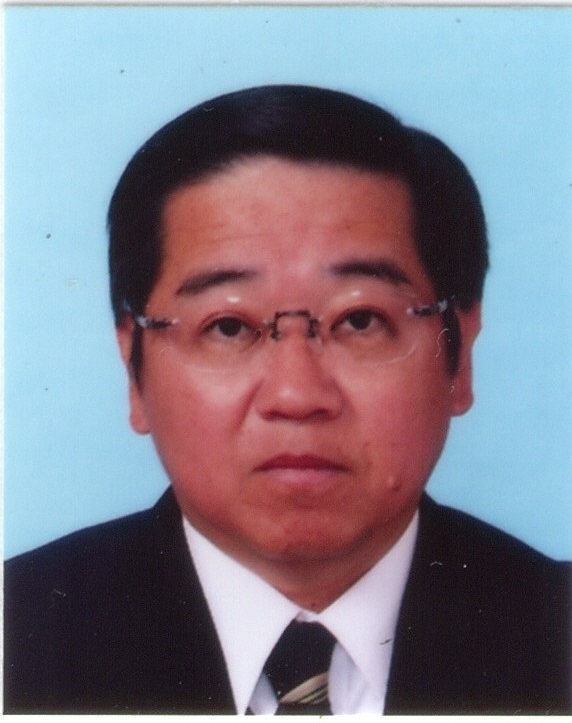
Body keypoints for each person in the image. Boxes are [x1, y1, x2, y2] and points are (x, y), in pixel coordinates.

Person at [4, 84, 570, 715]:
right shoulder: (22, 641)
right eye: (228, 326)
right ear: (133, 368)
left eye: (359, 320)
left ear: (458, 355)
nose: (297, 396)